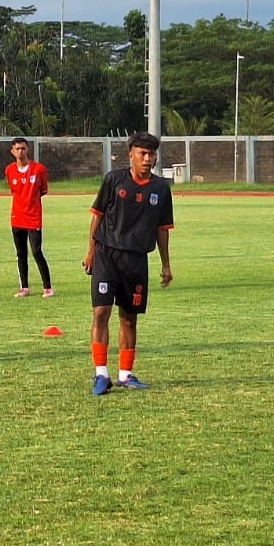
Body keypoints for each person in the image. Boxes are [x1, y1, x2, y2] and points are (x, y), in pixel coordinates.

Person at [84, 131, 173, 395]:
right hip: (106, 254)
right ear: (131, 155)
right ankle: (101, 374)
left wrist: (166, 264)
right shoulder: (114, 180)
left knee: (129, 318)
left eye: (152, 154)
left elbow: (162, 229)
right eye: (142, 154)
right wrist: (90, 252)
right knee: (101, 312)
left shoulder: (160, 189)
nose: (148, 159)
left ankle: (125, 374)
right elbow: (97, 216)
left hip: (136, 260)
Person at [5, 136, 53, 298]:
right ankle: (24, 287)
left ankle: (47, 287)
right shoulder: (9, 170)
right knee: (21, 253)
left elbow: (43, 190)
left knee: (37, 251)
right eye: (17, 149)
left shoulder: (39, 169)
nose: (20, 151)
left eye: (23, 148)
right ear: (12, 151)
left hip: (33, 217)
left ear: (28, 149)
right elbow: (13, 190)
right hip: (17, 217)